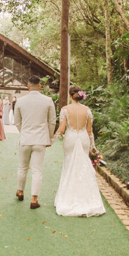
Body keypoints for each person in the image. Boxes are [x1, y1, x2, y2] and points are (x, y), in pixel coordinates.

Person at [52, 86, 106, 217]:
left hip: (70, 139)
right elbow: (89, 131)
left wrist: (52, 140)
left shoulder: (65, 109)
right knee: (83, 166)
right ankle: (85, 197)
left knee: (69, 165)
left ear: (70, 95)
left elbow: (61, 128)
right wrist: (93, 146)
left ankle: (68, 197)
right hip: (83, 139)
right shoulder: (87, 110)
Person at [14, 75, 56, 209]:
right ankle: (34, 199)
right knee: (37, 170)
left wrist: (23, 132)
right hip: (40, 140)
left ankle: (20, 191)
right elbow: (52, 121)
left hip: (25, 139)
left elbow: (17, 121)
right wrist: (49, 137)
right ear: (40, 86)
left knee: (22, 167)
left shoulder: (20, 101)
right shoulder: (48, 100)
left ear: (28, 86)